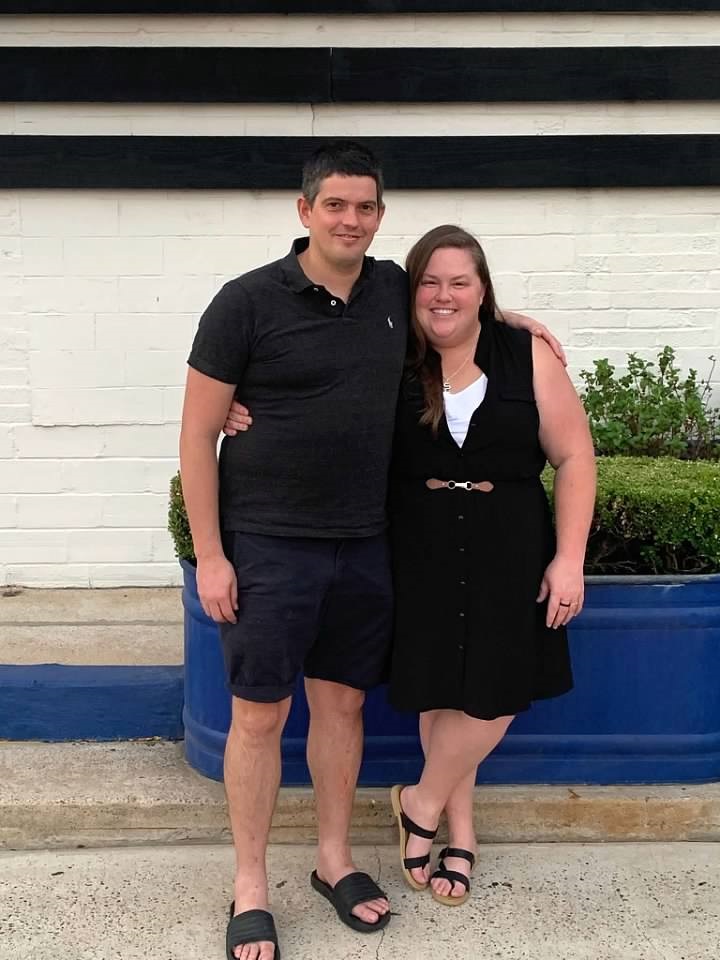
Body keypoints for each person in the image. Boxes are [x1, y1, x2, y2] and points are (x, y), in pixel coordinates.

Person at [181, 141, 564, 960]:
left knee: (343, 708)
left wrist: (514, 322)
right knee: (259, 716)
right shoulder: (245, 303)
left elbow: (452, 306)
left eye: (365, 207)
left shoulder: (393, 289)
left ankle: (334, 860)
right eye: (335, 205)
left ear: (380, 216)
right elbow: (197, 434)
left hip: (365, 543)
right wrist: (211, 554)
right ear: (305, 210)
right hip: (270, 545)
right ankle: (250, 886)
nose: (350, 220)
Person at [387, 225, 596, 906]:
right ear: (411, 290)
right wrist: (239, 404)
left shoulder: (525, 354)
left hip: (512, 545)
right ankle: (461, 834)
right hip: (418, 545)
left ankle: (418, 802)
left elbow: (574, 456)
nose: (443, 295)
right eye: (429, 282)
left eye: (460, 282)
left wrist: (569, 558)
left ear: (483, 289)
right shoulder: (391, 352)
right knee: (441, 690)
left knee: (498, 691)